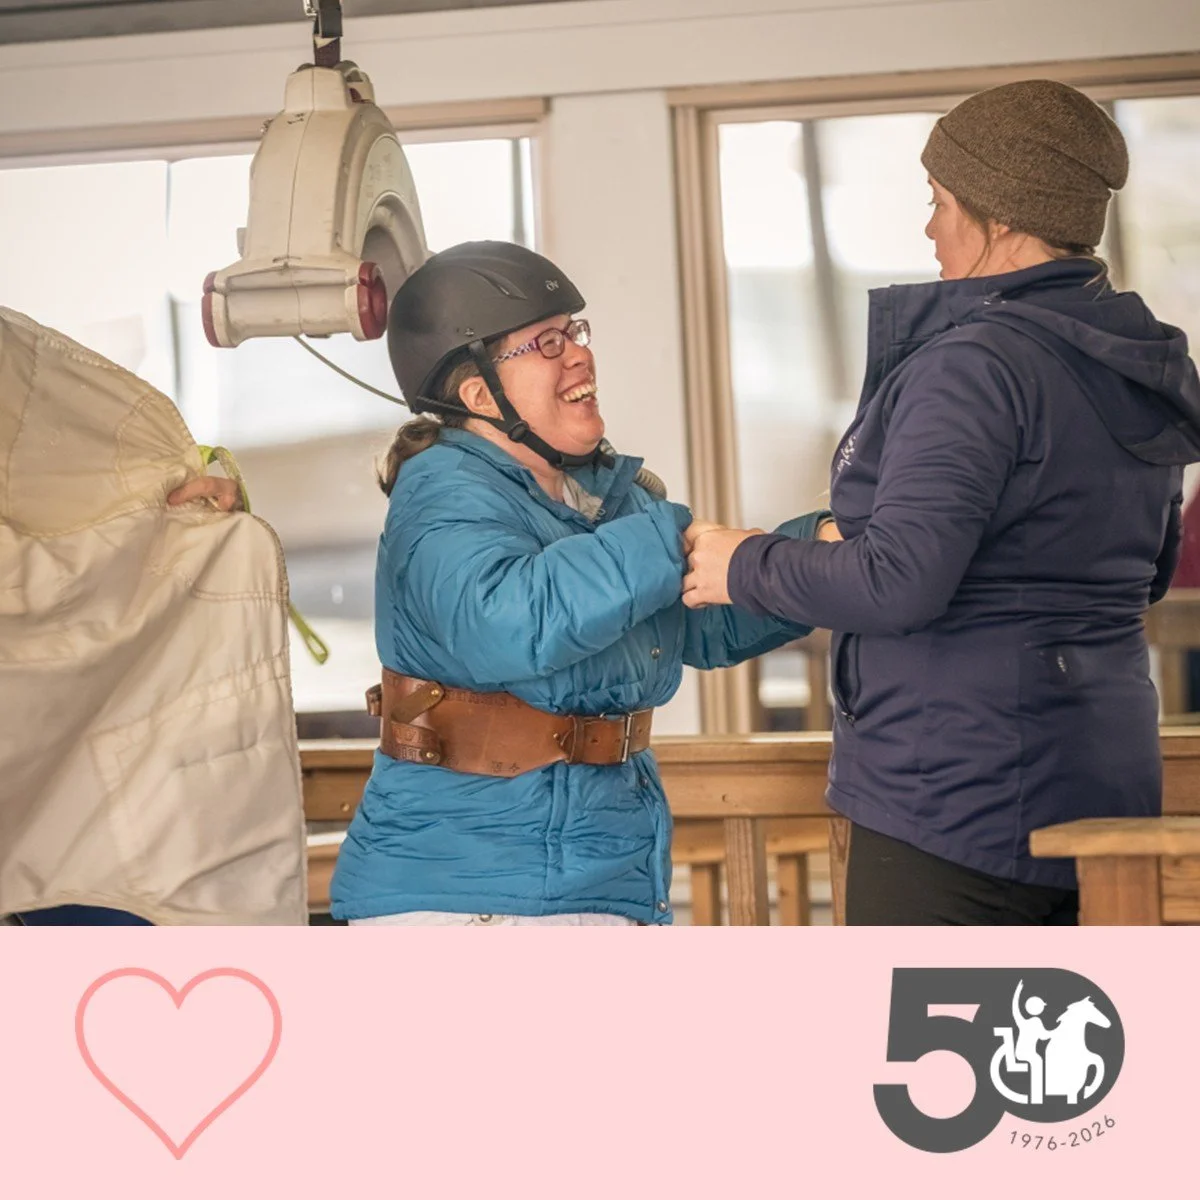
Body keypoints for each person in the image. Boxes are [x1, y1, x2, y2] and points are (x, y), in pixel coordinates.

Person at [682, 80, 1200, 925]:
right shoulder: (1131, 360)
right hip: (1101, 777)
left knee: (935, 1053)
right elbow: (1141, 575)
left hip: (958, 795)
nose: (929, 228)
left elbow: (899, 583)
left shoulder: (977, 365)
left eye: (939, 202)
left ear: (998, 218)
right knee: (1068, 1050)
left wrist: (746, 563)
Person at [323, 241, 835, 925]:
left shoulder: (606, 498)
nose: (578, 355)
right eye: (545, 343)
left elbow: (695, 622)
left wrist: (813, 556)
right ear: (480, 393)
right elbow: (508, 620)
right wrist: (667, 539)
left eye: (574, 333)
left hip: (593, 879)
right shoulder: (442, 491)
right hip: (467, 900)